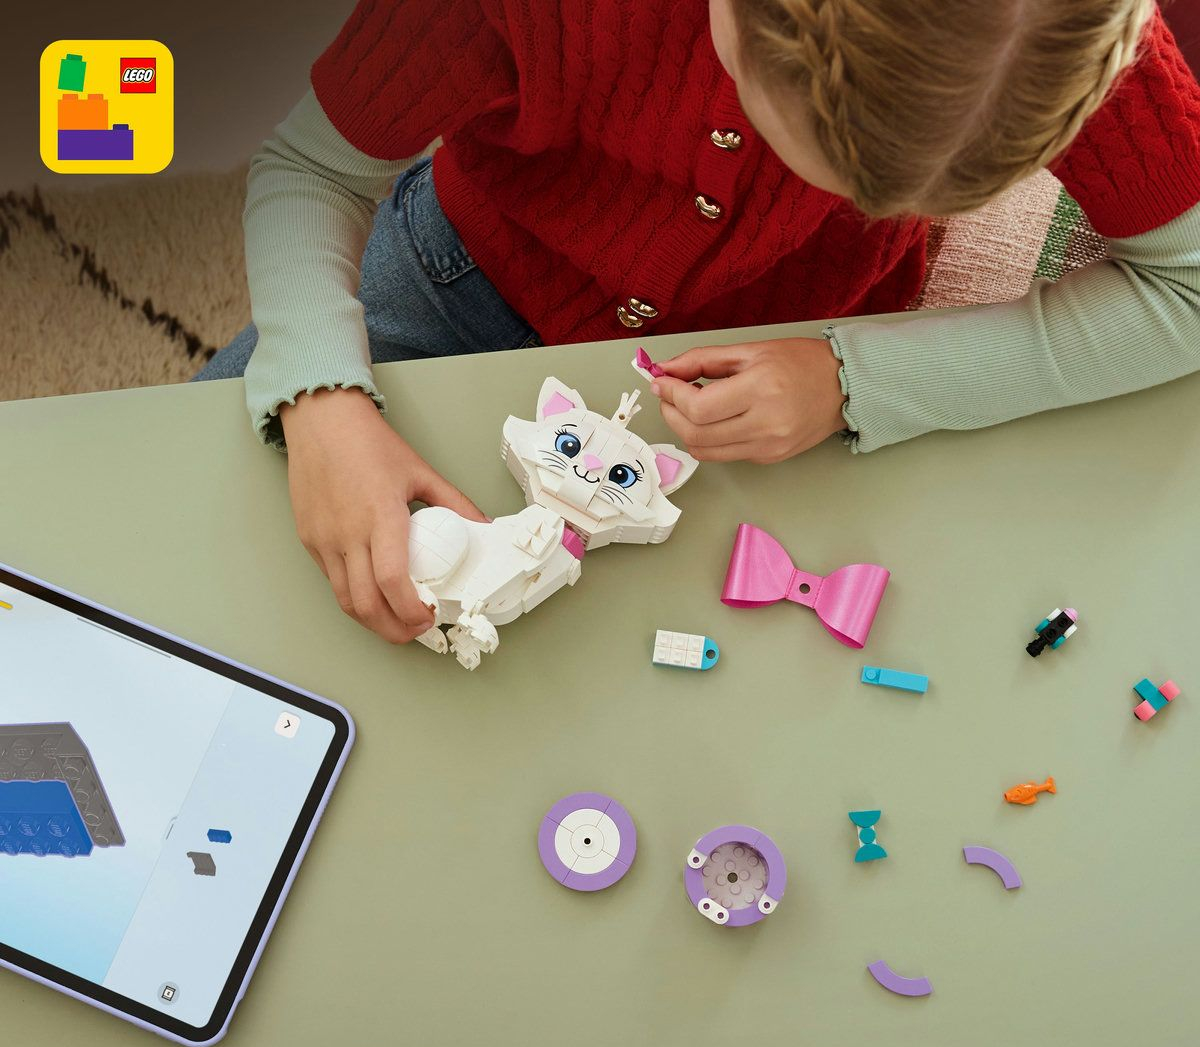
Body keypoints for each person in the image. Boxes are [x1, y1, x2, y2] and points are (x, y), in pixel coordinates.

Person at [195, 0, 1200, 645]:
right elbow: (314, 166)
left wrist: (852, 380)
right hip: (463, 272)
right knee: (205, 522)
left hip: (789, 371)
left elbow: (1187, 290)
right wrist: (320, 395)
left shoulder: (1054, 33)